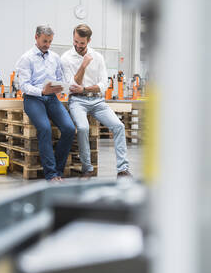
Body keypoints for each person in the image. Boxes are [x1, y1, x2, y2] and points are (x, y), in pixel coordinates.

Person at [61, 24, 132, 178]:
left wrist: (85, 89)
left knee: (119, 126)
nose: (78, 46)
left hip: (98, 101)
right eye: (76, 41)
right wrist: (84, 65)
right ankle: (87, 168)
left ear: (89, 41)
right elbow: (73, 86)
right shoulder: (66, 58)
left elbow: (104, 85)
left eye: (82, 43)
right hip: (77, 102)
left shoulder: (98, 57)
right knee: (83, 128)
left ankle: (123, 169)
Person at [15, 25, 75, 182]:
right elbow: (24, 85)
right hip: (33, 99)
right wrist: (42, 92)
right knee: (45, 129)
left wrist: (61, 87)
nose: (47, 45)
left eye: (49, 41)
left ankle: (58, 170)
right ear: (36, 37)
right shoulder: (26, 58)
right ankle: (51, 174)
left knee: (69, 129)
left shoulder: (55, 57)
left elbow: (59, 77)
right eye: (44, 41)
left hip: (52, 99)